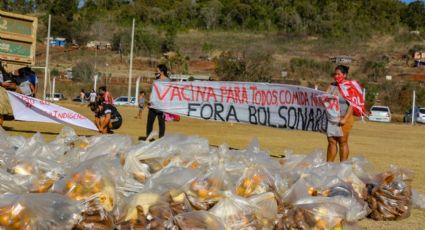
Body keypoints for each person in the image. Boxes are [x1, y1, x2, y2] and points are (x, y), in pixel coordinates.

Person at [325, 65, 365, 162]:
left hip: (344, 118)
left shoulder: (349, 87)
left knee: (342, 142)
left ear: (345, 75)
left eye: (339, 74)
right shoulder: (332, 86)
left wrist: (345, 119)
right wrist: (330, 97)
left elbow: (352, 104)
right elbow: (324, 98)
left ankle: (343, 166)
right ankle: (328, 165)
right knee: (331, 141)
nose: (336, 76)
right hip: (332, 118)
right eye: (335, 74)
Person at [146, 64, 170, 138]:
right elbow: (153, 93)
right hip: (153, 106)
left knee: (161, 124)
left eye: (157, 71)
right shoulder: (155, 81)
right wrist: (149, 102)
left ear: (162, 72)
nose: (155, 72)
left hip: (162, 107)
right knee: (149, 123)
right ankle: (148, 138)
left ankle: (161, 140)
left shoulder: (168, 81)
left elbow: (169, 94)